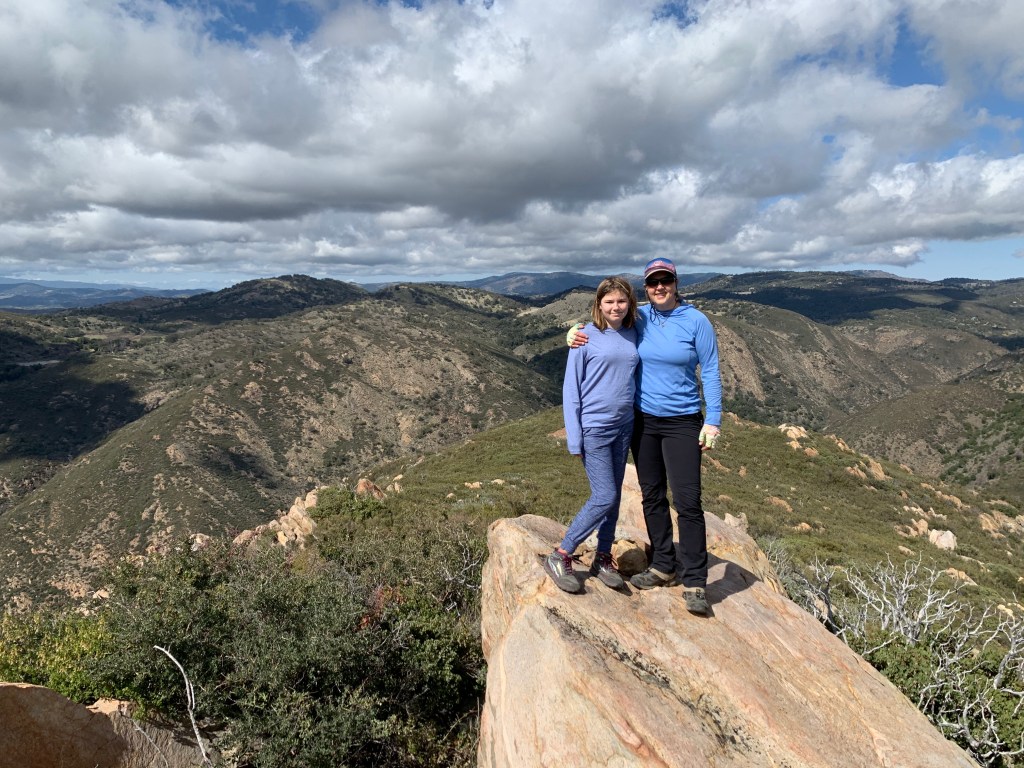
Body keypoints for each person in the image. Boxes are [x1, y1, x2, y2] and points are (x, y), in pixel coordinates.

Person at [568, 258, 721, 614]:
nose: (660, 287)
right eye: (653, 282)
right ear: (646, 288)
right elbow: (606, 325)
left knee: (687, 501)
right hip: (643, 421)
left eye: (666, 280)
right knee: (652, 495)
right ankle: (664, 564)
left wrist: (713, 419)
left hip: (683, 421)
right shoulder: (640, 318)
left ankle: (695, 581)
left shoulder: (696, 321)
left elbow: (711, 370)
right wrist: (574, 332)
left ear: (676, 283)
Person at [544, 276, 640, 594]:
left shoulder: (634, 331)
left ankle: (602, 556)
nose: (616, 307)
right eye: (609, 301)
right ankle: (561, 554)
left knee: (614, 498)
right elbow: (571, 390)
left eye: (621, 301)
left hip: (624, 426)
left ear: (630, 303)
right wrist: (574, 436)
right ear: (599, 304)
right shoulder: (584, 337)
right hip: (595, 429)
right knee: (604, 496)